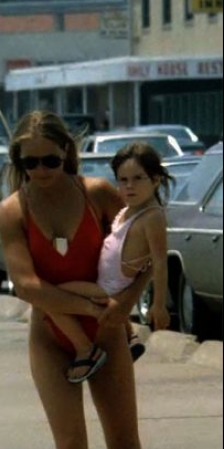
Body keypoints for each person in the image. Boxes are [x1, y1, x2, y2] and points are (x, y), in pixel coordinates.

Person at [0, 111, 193, 449]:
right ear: (17, 161)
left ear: (67, 153)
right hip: (51, 339)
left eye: (50, 159)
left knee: (127, 447)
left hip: (110, 333)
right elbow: (27, 286)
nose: (41, 169)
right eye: (29, 161)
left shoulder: (99, 194)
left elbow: (143, 258)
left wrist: (122, 310)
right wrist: (91, 309)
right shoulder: (12, 211)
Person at [45, 142, 174, 383]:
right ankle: (129, 336)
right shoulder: (128, 210)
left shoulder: (152, 216)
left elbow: (159, 261)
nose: (129, 186)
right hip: (103, 280)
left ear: (155, 180)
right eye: (123, 180)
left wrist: (159, 305)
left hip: (107, 288)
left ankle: (86, 350)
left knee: (50, 296)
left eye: (138, 178)